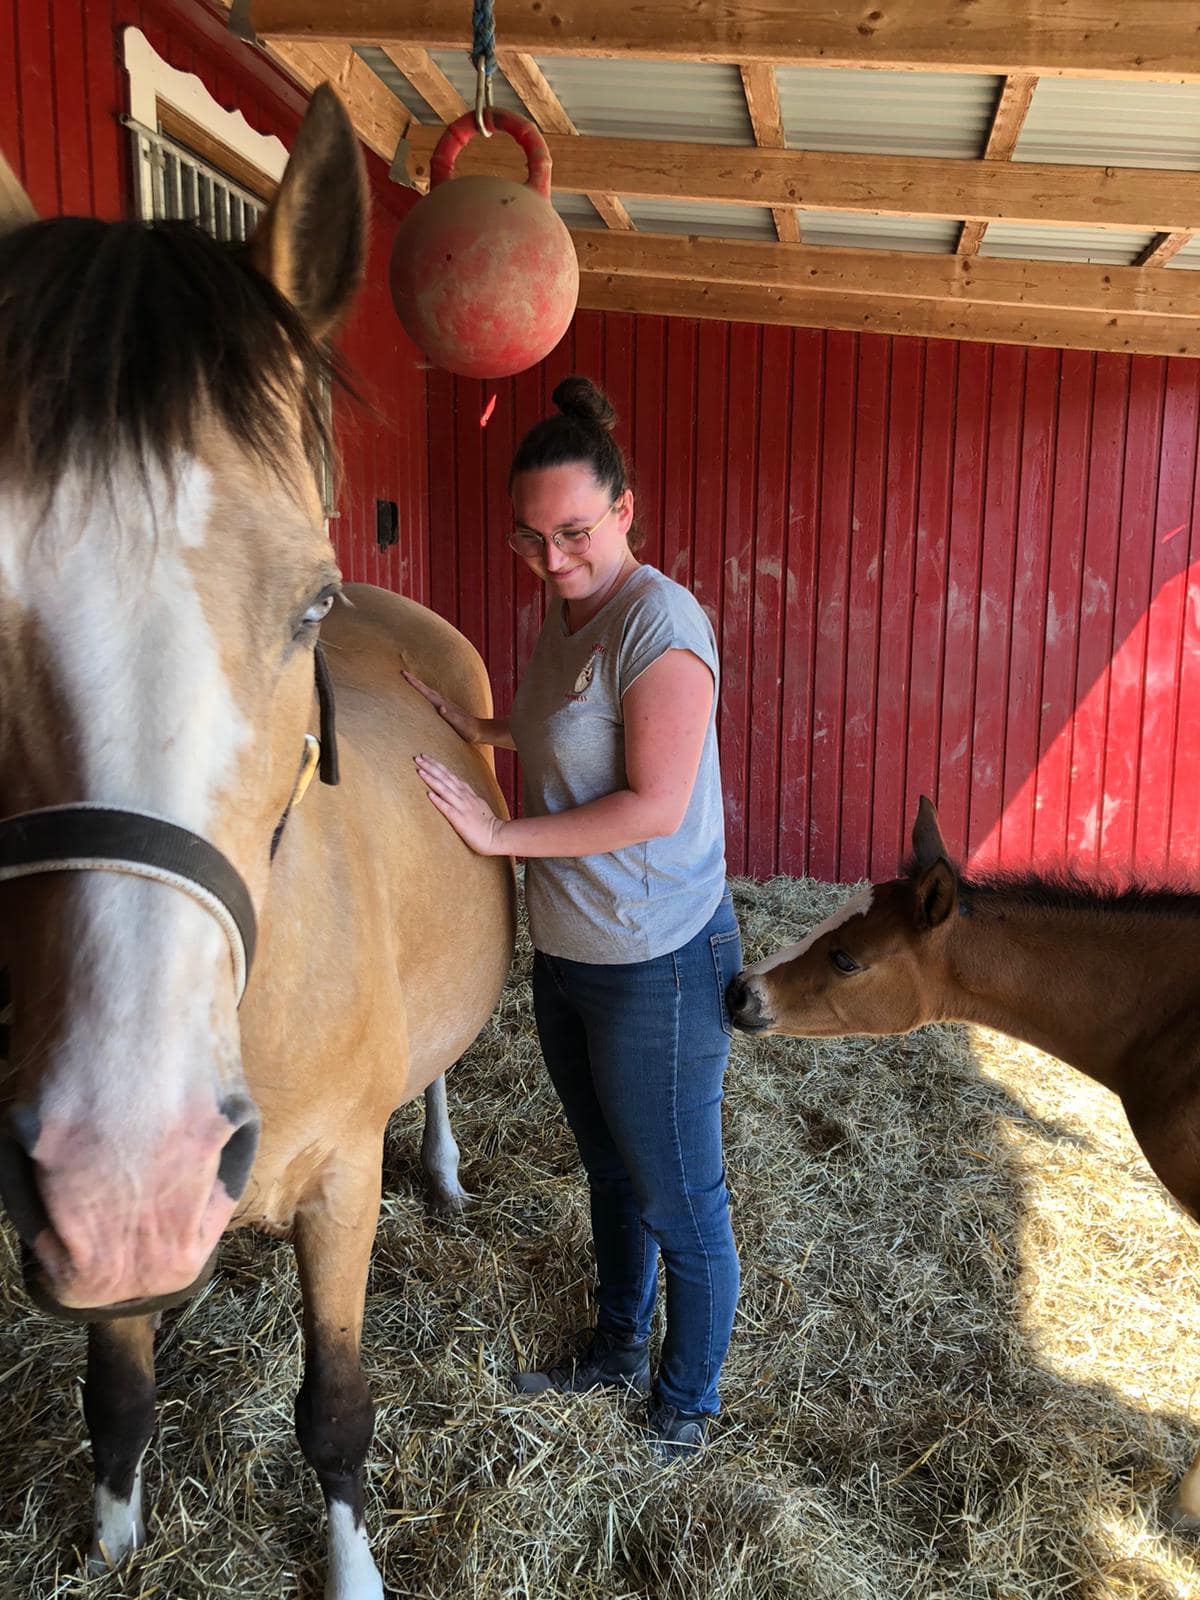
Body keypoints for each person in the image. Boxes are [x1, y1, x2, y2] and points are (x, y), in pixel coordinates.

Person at [406, 375, 742, 1458]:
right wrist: (486, 725)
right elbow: (569, 725)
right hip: (572, 952)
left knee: (681, 1198)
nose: (552, 560)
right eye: (531, 539)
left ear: (626, 508)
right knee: (610, 1170)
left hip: (657, 961)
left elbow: (650, 802)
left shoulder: (661, 622)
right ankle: (613, 1345)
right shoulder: (570, 612)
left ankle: (685, 1405)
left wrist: (497, 837)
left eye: (575, 533)